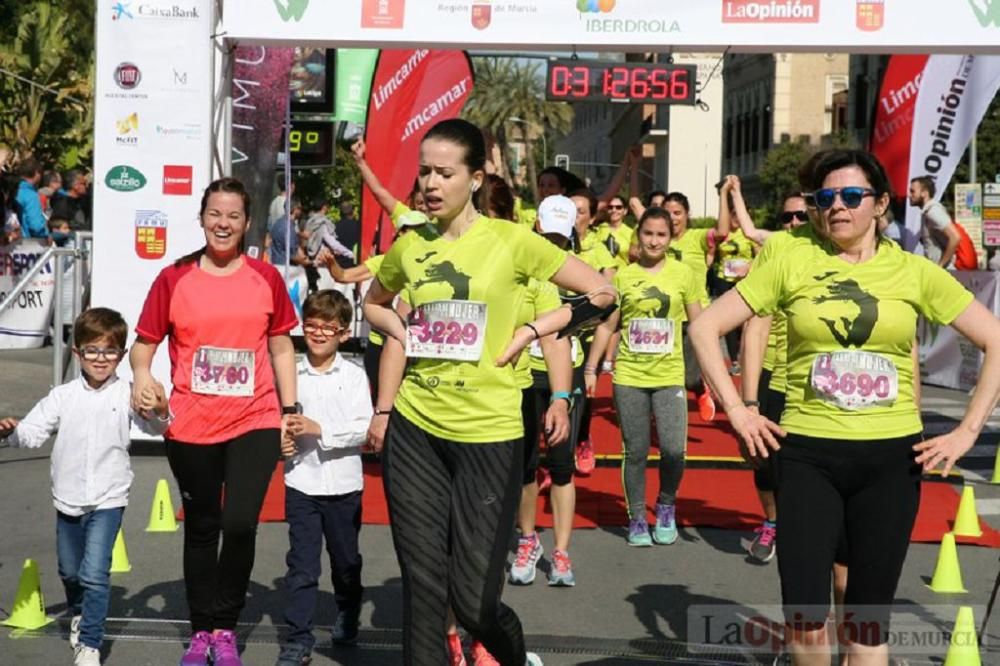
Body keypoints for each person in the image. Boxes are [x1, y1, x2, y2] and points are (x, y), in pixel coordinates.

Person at [690, 148, 1000, 665]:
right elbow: (705, 327)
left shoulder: (912, 271)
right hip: (807, 454)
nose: (837, 207)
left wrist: (967, 431)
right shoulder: (792, 257)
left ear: (879, 205)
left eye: (851, 196)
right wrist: (740, 411)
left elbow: (996, 340)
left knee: (867, 626)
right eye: (826, 197)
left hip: (890, 461)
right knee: (807, 620)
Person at [363, 118, 614, 666]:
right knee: (425, 591)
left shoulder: (513, 241)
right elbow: (374, 303)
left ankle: (514, 659)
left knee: (475, 601)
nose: (429, 183)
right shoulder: (410, 247)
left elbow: (603, 291)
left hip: (490, 433)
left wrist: (534, 330)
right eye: (424, 171)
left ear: (475, 178)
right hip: (416, 429)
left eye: (444, 173)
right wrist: (402, 329)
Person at [130, 177, 300, 666]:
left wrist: (290, 410)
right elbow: (143, 347)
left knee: (241, 522)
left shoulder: (265, 278)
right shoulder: (173, 278)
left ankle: (225, 627)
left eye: (233, 216)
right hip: (193, 424)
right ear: (202, 218)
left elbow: (282, 346)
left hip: (256, 417)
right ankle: (201, 629)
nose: (223, 224)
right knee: (203, 526)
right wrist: (143, 378)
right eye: (214, 214)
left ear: (247, 223)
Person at [0, 308, 170, 666]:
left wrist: (161, 409)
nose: (100, 359)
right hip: (68, 498)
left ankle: (90, 642)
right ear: (77, 353)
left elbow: (158, 429)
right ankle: (78, 611)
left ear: (121, 356)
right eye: (91, 350)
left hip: (110, 497)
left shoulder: (127, 392)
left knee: (95, 573)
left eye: (109, 351)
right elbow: (32, 433)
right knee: (69, 571)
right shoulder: (62, 396)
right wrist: (11, 431)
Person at [586, 207, 702, 546]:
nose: (654, 241)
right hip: (630, 377)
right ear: (638, 236)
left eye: (661, 235)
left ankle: (666, 504)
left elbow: (700, 326)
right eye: (648, 234)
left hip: (669, 377)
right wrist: (592, 369)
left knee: (672, 450)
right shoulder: (623, 276)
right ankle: (636, 515)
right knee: (635, 451)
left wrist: (710, 374)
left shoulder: (684, 275)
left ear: (671, 237)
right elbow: (609, 324)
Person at [275, 290, 372, 666]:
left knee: (346, 562)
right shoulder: (290, 373)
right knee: (301, 566)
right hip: (302, 483)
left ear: (343, 334)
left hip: (345, 485)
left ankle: (348, 608)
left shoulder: (353, 374)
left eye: (327, 328)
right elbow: (276, 419)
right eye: (312, 325)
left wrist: (319, 428)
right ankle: (298, 640)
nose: (318, 333)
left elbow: (364, 429)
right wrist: (279, 441)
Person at [509, 195, 579, 590]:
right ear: (536, 227)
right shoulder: (522, 270)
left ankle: (562, 550)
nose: (553, 244)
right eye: (547, 234)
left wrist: (577, 378)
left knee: (562, 465)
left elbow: (606, 317)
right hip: (525, 377)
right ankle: (528, 539)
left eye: (561, 237)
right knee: (526, 466)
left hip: (565, 383)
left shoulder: (582, 273)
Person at [566, 188, 619, 475]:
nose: (575, 218)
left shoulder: (599, 250)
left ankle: (583, 438)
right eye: (570, 211)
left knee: (582, 394)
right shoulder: (555, 245)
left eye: (581, 212)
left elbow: (609, 297)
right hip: (555, 334)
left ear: (591, 217)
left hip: (587, 337)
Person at [707, 177, 758, 375]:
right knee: (728, 324)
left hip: (744, 282)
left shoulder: (748, 233)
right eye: (733, 214)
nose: (736, 218)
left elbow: (760, 253)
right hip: (723, 281)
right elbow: (711, 254)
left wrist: (751, 267)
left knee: (745, 323)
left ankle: (746, 357)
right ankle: (734, 360)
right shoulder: (723, 233)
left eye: (739, 215)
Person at [907, 175, 975, 270]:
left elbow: (955, 237)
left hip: (946, 272)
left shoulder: (933, 212)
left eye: (912, 191)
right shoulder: (928, 212)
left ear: (924, 193)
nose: (909, 195)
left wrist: (941, 265)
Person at [15, 157, 46, 239]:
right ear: (36, 173)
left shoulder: (11, 190)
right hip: (25, 245)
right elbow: (36, 226)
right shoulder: (30, 195)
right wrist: (46, 235)